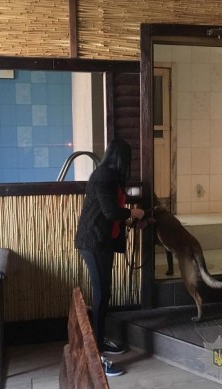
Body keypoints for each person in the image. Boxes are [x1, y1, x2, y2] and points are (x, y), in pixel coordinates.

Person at [74, 138, 144, 377]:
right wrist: (134, 212)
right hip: (93, 243)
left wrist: (132, 217)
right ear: (121, 158)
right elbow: (111, 211)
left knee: (104, 294)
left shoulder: (110, 177)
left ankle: (99, 341)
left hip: (102, 243)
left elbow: (114, 210)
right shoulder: (103, 177)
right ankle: (96, 354)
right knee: (102, 294)